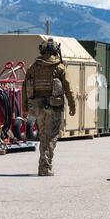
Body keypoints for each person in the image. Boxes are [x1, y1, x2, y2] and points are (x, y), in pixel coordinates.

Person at [22, 38, 76, 176]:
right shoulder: (60, 67)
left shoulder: (33, 67)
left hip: (38, 107)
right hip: (54, 106)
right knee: (51, 136)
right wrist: (72, 105)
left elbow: (24, 87)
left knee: (43, 135)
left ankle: (43, 166)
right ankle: (45, 167)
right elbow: (68, 88)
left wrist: (25, 108)